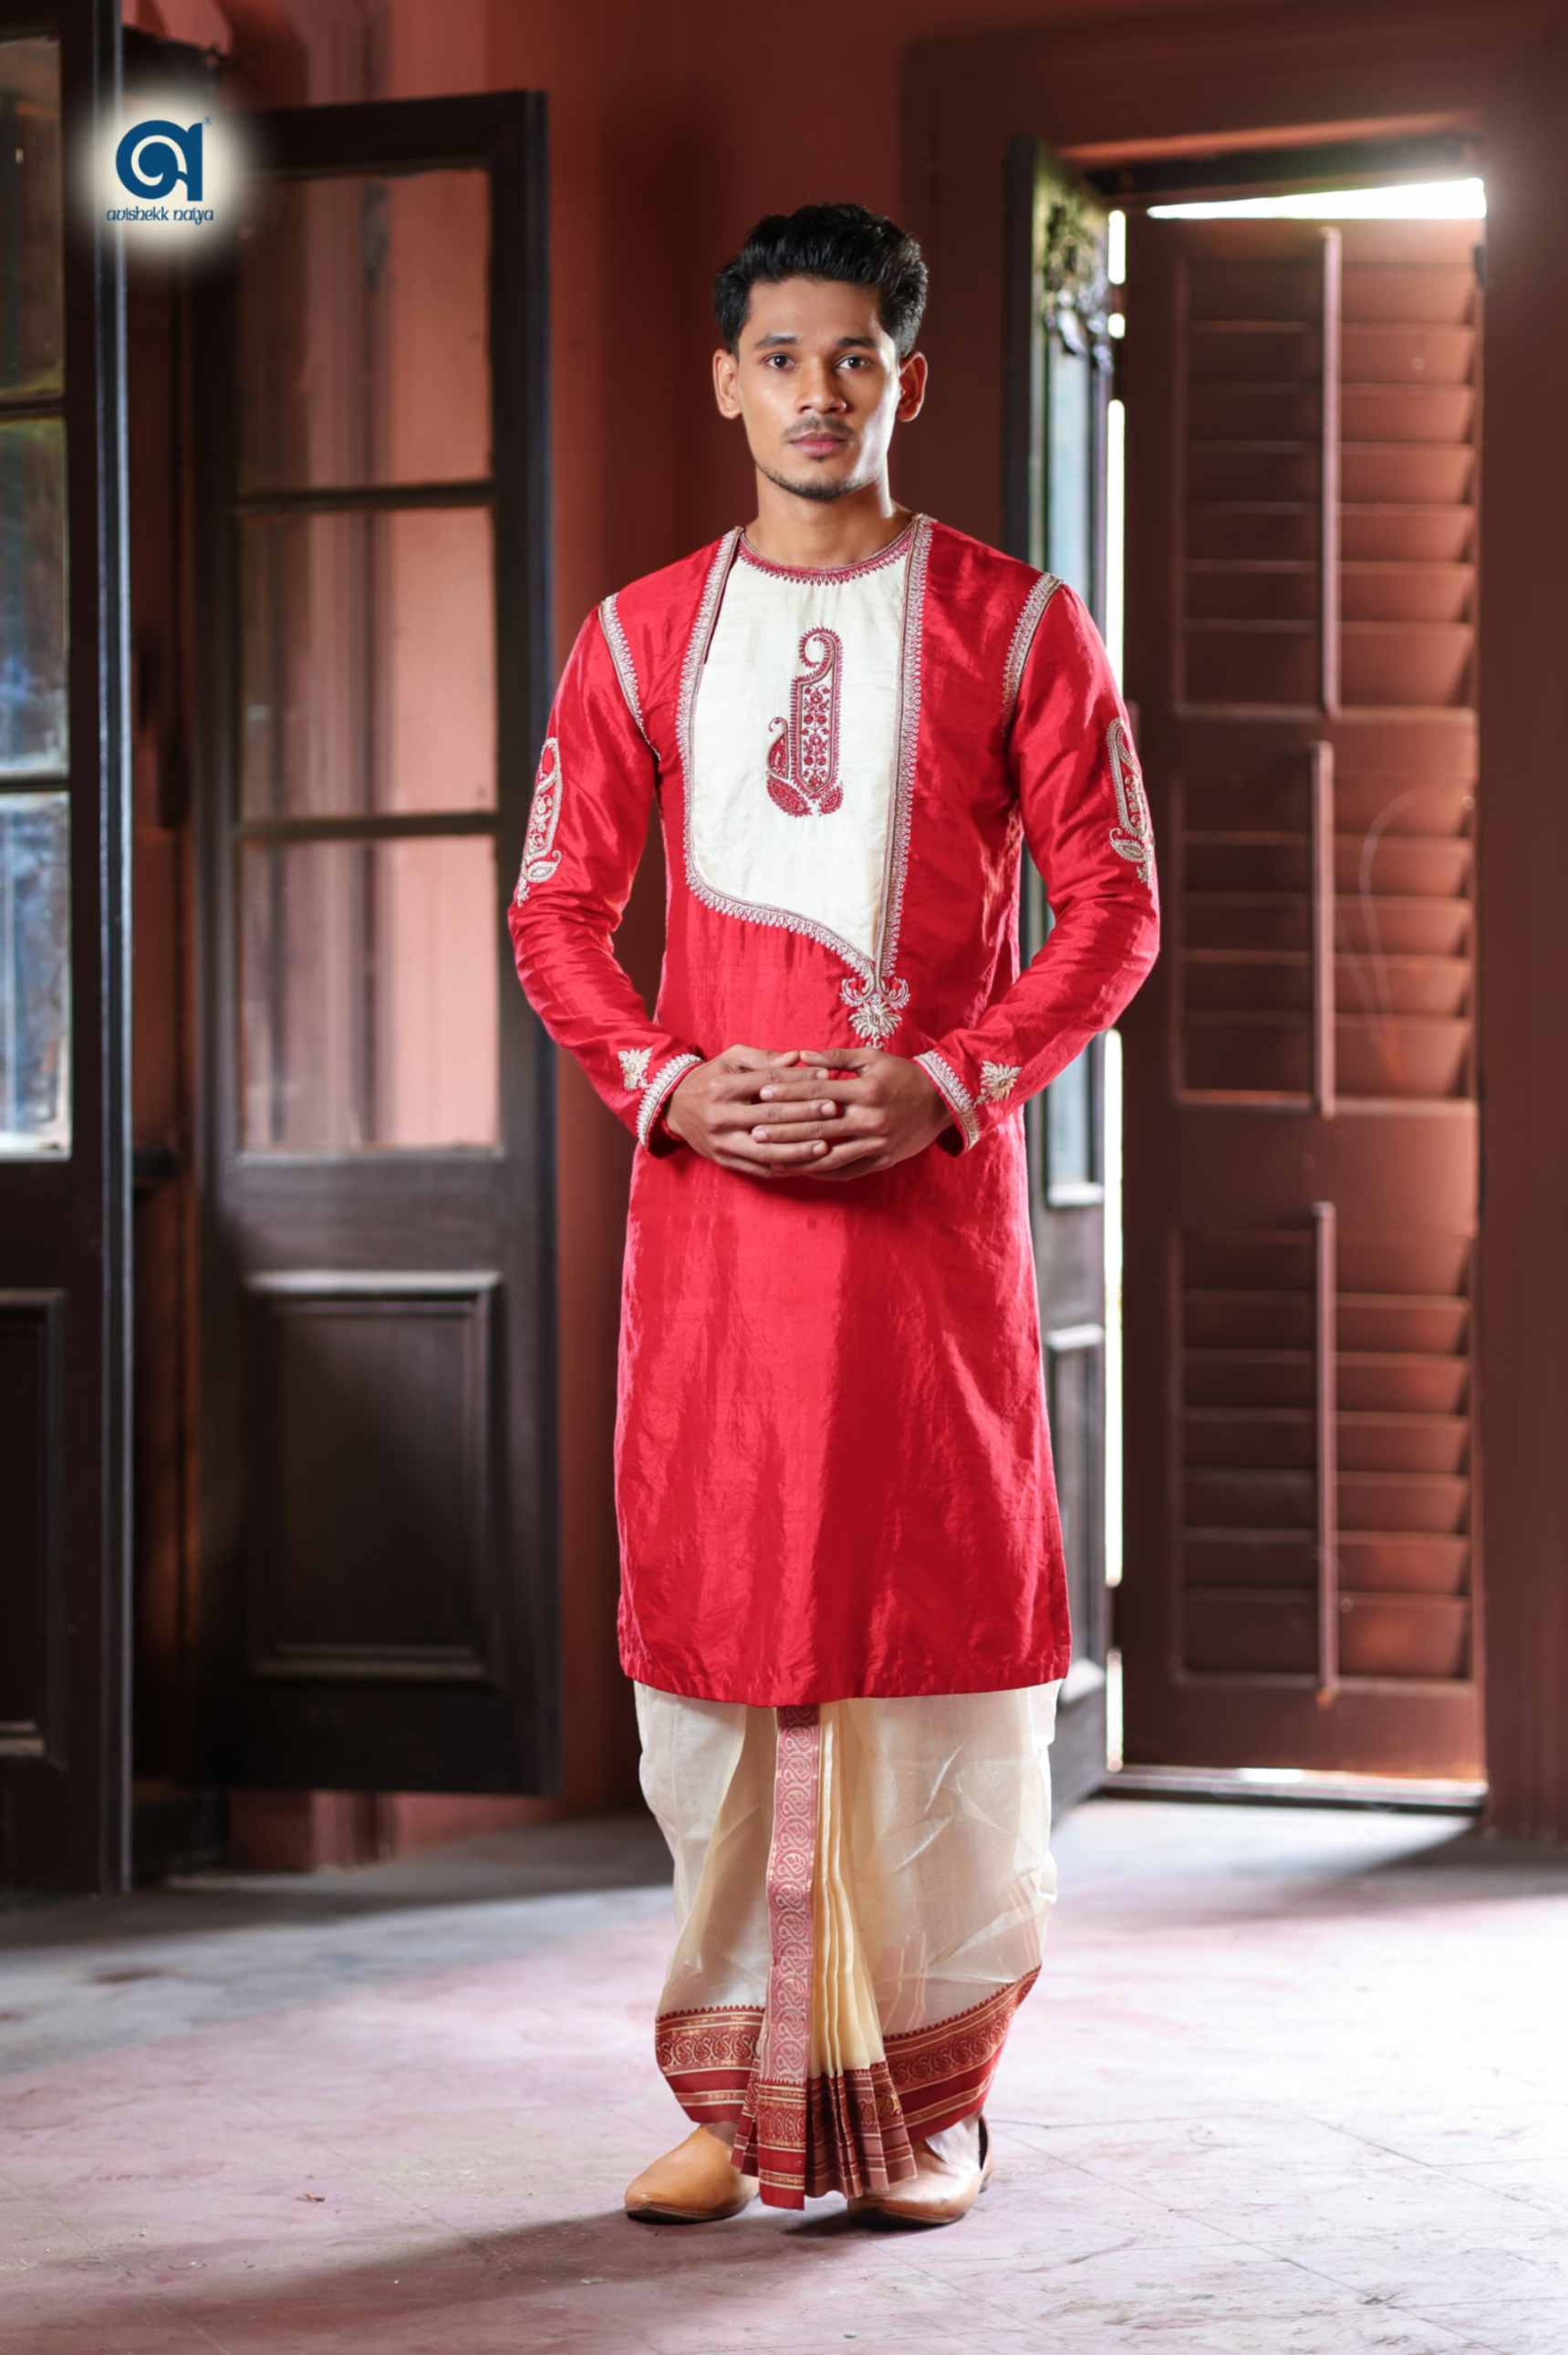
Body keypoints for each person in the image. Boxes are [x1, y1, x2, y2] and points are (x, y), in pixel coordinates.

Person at [506, 201, 1159, 2225]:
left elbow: (1114, 909)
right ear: (726, 380)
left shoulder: (1020, 626)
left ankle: (926, 2102)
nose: (816, 393)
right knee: (726, 1645)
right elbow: (554, 909)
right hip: (717, 1236)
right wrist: (667, 1080)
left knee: (924, 1635)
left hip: (922, 1229)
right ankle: (745, 2093)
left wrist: (948, 1080)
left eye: (852, 358)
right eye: (780, 358)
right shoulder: (636, 636)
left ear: (910, 378)